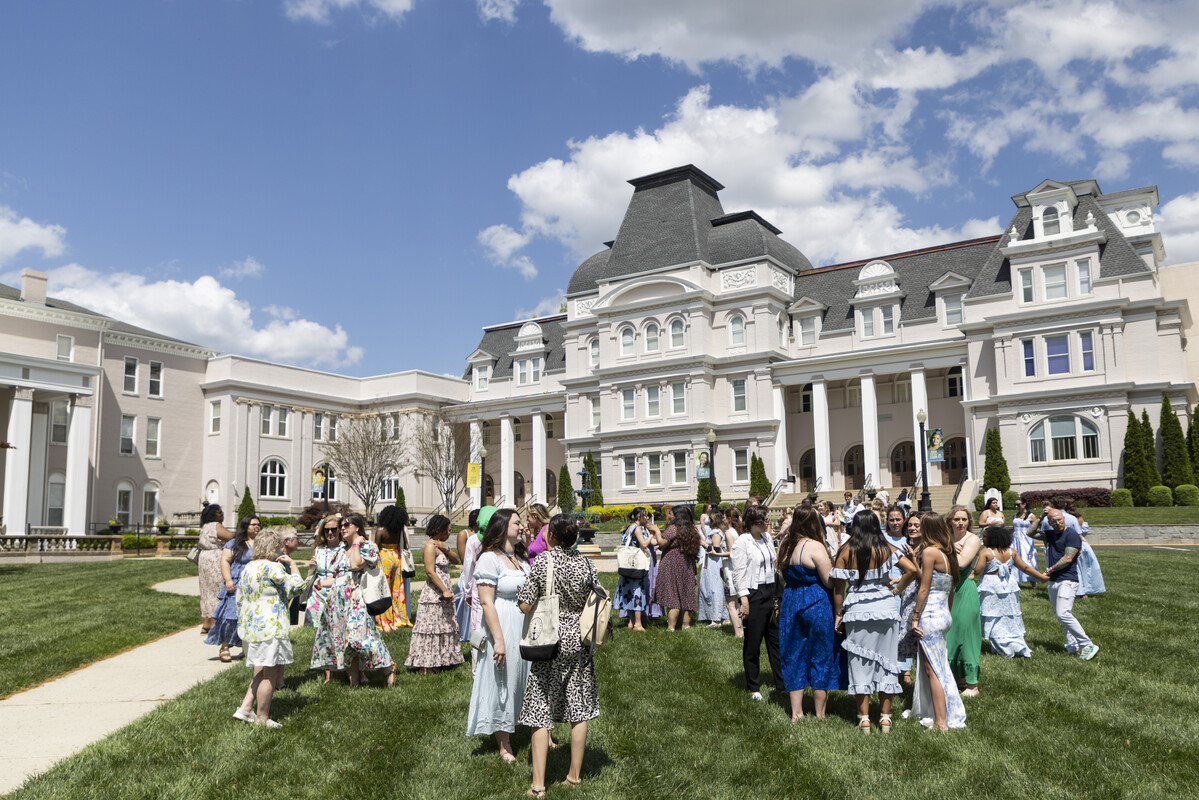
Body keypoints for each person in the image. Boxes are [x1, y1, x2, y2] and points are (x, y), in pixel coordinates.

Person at [517, 515, 600, 797]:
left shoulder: (544, 562)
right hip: (579, 636)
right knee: (578, 704)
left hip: (550, 638)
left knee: (540, 707)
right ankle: (574, 777)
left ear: (551, 536)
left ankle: (538, 786)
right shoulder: (588, 563)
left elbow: (525, 604)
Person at [831, 510, 919, 733]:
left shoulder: (846, 550)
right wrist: (896, 590)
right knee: (887, 661)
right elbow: (912, 570)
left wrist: (838, 613)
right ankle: (886, 717)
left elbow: (839, 587)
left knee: (859, 663)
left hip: (858, 610)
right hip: (886, 607)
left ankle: (864, 719)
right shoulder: (885, 548)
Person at [466, 508, 531, 763]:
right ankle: (504, 743)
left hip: (524, 627)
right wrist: (499, 640)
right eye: (517, 523)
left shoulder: (520, 559)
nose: (523, 526)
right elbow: (486, 603)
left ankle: (540, 732)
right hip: (501, 626)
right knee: (503, 679)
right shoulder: (489, 559)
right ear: (503, 527)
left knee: (524, 677)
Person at [232, 529, 302, 728]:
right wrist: (293, 565)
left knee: (261, 670)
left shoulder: (248, 568)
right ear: (273, 547)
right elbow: (296, 588)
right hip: (271, 627)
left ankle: (246, 709)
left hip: (251, 627)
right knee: (269, 674)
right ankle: (262, 718)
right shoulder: (273, 568)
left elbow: (239, 599)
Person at [777, 507, 839, 721]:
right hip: (816, 602)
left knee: (793, 653)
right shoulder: (815, 547)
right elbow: (828, 581)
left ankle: (797, 713)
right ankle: (820, 714)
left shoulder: (785, 545)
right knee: (820, 654)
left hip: (791, 602)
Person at [907, 512, 966, 731]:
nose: (915, 529)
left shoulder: (930, 551)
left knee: (933, 670)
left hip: (930, 615)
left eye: (919, 526)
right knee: (937, 667)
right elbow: (950, 588)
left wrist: (915, 617)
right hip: (943, 614)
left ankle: (941, 721)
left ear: (928, 529)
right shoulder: (946, 553)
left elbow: (924, 587)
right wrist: (947, 614)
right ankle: (941, 713)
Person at [335, 514, 396, 687]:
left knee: (360, 639)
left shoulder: (368, 546)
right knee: (347, 644)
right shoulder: (341, 549)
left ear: (357, 527)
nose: (342, 528)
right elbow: (339, 574)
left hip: (359, 600)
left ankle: (387, 666)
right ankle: (354, 683)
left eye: (347, 525)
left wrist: (355, 544)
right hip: (342, 602)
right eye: (341, 525)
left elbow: (355, 565)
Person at [731, 506, 784, 701]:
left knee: (775, 640)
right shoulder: (742, 542)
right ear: (753, 522)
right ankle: (754, 686)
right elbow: (738, 573)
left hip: (771, 591)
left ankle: (782, 683)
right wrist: (744, 600)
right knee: (753, 642)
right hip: (754, 593)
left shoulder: (767, 538)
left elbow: (773, 563)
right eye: (764, 520)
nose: (767, 523)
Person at [1032, 507, 1099, 660]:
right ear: (1049, 522)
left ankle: (1087, 645)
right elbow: (1030, 532)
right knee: (1062, 616)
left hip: (1067, 579)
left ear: (1064, 518)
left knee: (1063, 614)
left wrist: (1048, 570)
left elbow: (1068, 558)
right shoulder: (1050, 534)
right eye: (1053, 521)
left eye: (1060, 520)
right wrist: (1040, 517)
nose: (1057, 523)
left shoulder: (1072, 535)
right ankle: (1072, 646)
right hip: (1054, 581)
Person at [976, 525, 1048, 658]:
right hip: (1008, 586)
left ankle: (1001, 644)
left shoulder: (986, 552)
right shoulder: (1011, 552)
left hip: (991, 587)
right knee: (1008, 615)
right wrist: (1041, 577)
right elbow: (1025, 568)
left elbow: (977, 570)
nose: (983, 539)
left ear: (993, 538)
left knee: (993, 615)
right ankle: (1015, 643)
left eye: (984, 536)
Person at [405, 514, 464, 673]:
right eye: (448, 530)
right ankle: (427, 665)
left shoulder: (440, 546)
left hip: (444, 595)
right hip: (434, 595)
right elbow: (430, 572)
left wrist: (445, 548)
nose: (449, 533)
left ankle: (442, 660)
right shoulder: (430, 547)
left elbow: (456, 561)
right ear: (440, 529)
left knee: (443, 627)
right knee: (431, 629)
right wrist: (444, 590)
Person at [205, 514, 260, 662]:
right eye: (253, 524)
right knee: (230, 615)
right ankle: (224, 646)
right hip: (236, 583)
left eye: (258, 524)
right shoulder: (234, 543)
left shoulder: (261, 543)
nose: (257, 527)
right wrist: (228, 580)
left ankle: (245, 647)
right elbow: (225, 561)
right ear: (245, 526)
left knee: (250, 615)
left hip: (255, 585)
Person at [945, 504, 983, 697]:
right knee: (951, 636)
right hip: (948, 591)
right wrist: (950, 547)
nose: (960, 523)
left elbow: (961, 563)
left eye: (964, 519)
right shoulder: (947, 539)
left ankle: (972, 685)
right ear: (950, 521)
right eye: (956, 519)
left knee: (966, 635)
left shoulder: (973, 539)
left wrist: (949, 551)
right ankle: (957, 678)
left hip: (964, 591)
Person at [306, 515, 346, 684]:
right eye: (327, 530)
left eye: (333, 529)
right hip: (319, 593)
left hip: (337, 591)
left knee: (343, 631)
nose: (330, 533)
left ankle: (351, 667)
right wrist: (311, 568)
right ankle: (328, 673)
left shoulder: (345, 549)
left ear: (339, 530)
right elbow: (311, 573)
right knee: (323, 634)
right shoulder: (319, 550)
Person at [653, 504, 701, 631]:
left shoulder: (673, 529)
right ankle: (686, 625)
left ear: (677, 516)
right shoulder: (692, 528)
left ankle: (671, 626)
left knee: (672, 595)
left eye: (671, 514)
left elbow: (662, 543)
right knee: (687, 593)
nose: (669, 516)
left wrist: (657, 532)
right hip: (687, 563)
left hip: (672, 564)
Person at [895, 510, 924, 685]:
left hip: (920, 596)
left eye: (916, 525)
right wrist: (899, 579)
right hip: (908, 594)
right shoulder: (910, 545)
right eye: (910, 525)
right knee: (908, 637)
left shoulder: (927, 548)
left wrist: (912, 559)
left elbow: (923, 579)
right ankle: (909, 674)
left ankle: (922, 680)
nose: (912, 528)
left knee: (919, 636)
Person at [614, 507, 655, 631]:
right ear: (639, 517)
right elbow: (643, 544)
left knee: (629, 593)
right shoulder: (637, 528)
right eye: (646, 516)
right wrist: (651, 535)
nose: (648, 518)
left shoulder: (629, 527)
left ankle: (631, 622)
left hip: (628, 566)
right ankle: (638, 624)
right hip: (636, 565)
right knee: (637, 592)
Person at [196, 504, 235, 634]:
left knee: (206, 590)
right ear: (212, 515)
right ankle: (215, 623)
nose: (222, 514)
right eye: (219, 512)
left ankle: (205, 623)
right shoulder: (216, 525)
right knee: (217, 589)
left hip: (204, 559)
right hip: (214, 558)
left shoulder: (205, 527)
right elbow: (229, 536)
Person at [375, 506, 412, 632]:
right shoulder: (399, 530)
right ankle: (399, 617)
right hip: (396, 557)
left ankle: (385, 619)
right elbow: (406, 545)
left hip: (384, 557)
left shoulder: (380, 530)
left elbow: (376, 548)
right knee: (397, 589)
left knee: (384, 589)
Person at [455, 508, 488, 646]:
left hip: (480, 574)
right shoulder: (465, 535)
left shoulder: (485, 536)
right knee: (466, 607)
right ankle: (464, 633)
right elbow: (465, 559)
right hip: (469, 574)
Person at [698, 510, 729, 626]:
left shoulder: (716, 532)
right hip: (709, 561)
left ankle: (716, 618)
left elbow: (716, 549)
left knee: (714, 587)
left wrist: (703, 543)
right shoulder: (715, 531)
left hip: (713, 563)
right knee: (709, 586)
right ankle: (723, 616)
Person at [1067, 504, 1106, 597]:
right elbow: (1084, 532)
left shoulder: (1069, 519)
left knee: (1076, 569)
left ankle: (1078, 591)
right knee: (1086, 569)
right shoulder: (1080, 518)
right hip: (1085, 546)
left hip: (1074, 545)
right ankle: (1086, 590)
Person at [1011, 498, 1041, 583]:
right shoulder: (1015, 515)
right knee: (1015, 557)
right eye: (1015, 505)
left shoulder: (1031, 516)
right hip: (1016, 539)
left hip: (1026, 539)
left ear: (1024, 504)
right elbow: (1013, 528)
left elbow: (1036, 528)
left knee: (1027, 557)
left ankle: (1032, 580)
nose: (1017, 506)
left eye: (1019, 504)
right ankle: (1016, 579)